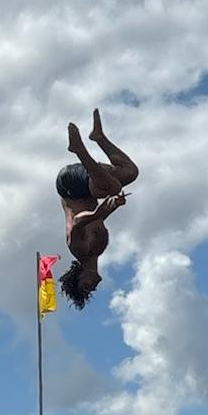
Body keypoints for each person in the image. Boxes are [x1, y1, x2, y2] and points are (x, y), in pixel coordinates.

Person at [56, 109, 139, 310]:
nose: (92, 286)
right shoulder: (99, 248)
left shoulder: (79, 249)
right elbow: (98, 218)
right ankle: (99, 137)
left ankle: (79, 150)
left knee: (112, 187)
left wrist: (101, 211)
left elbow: (79, 220)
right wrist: (114, 206)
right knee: (130, 172)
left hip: (70, 186)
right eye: (91, 290)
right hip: (90, 189)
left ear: (78, 274)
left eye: (85, 286)